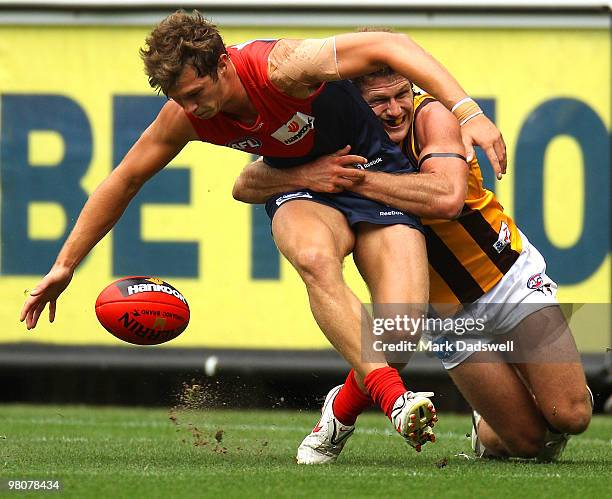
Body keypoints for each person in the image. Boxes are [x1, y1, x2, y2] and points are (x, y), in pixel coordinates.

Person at [19, 11, 506, 453]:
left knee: (399, 336)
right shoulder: (186, 114)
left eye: (195, 94)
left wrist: (469, 112)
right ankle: (397, 403)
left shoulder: (283, 67)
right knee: (314, 259)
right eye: (179, 99)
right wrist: (65, 264)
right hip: (305, 189)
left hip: (371, 172)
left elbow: (390, 44)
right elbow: (123, 180)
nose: (190, 108)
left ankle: (338, 414)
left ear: (223, 65)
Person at [232, 68, 592, 463]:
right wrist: (307, 175)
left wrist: (352, 179)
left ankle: (548, 389)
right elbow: (245, 184)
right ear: (353, 104)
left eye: (401, 94)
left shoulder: (430, 117)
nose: (394, 110)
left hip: (507, 282)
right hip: (446, 316)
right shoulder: (331, 136)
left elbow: (447, 198)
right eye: (378, 102)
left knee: (571, 414)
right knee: (526, 445)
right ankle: (486, 423)